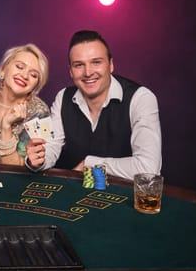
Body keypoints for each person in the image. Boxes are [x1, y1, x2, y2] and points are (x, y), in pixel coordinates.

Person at [26, 30, 162, 179]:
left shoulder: (141, 98)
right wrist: (39, 160)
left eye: (96, 62)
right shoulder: (63, 97)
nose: (88, 72)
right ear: (70, 71)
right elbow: (51, 146)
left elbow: (148, 168)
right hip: (77, 193)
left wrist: (89, 164)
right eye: (79, 65)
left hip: (126, 196)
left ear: (110, 65)